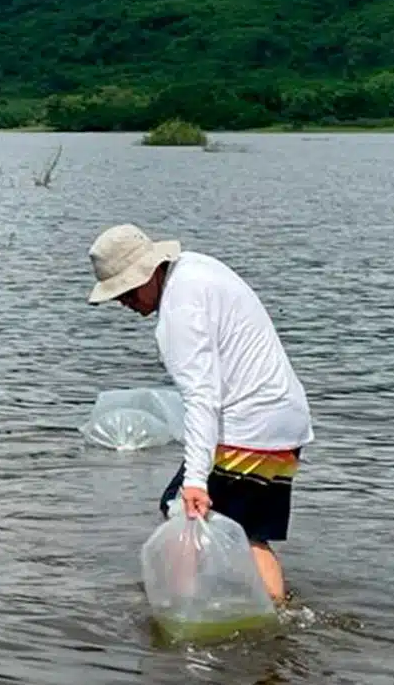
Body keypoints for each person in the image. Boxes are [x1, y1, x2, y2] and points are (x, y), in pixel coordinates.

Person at [86, 223, 313, 603]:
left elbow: (201, 397)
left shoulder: (178, 312)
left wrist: (196, 481)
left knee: (180, 509)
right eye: (117, 295)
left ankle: (184, 610)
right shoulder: (196, 268)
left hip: (248, 426)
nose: (124, 302)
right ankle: (279, 617)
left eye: (127, 290)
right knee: (251, 532)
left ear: (150, 271)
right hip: (284, 422)